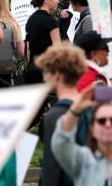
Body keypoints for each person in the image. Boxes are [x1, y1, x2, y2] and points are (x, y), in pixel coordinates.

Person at [36, 43, 87, 186]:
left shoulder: (55, 116)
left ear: (57, 75)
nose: (45, 78)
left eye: (47, 73)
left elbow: (51, 168)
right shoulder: (90, 109)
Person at [24, 0, 62, 83]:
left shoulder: (31, 19)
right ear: (46, 0)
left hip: (32, 70)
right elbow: (58, 49)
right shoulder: (51, 21)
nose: (58, 1)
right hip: (47, 71)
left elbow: (28, 48)